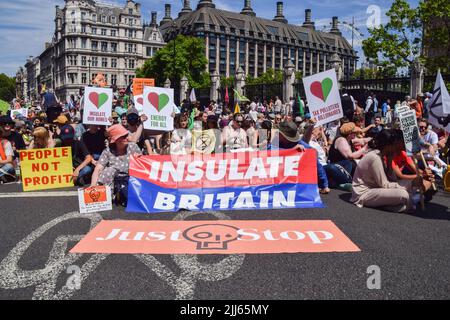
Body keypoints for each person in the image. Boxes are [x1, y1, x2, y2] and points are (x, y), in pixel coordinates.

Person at [351, 130, 434, 213]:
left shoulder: (382, 155)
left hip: (375, 188)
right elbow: (385, 184)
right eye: (396, 144)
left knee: (410, 187)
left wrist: (390, 160)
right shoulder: (375, 157)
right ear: (389, 145)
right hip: (364, 193)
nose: (398, 147)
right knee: (404, 194)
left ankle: (401, 203)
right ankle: (410, 201)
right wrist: (410, 184)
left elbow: (392, 180)